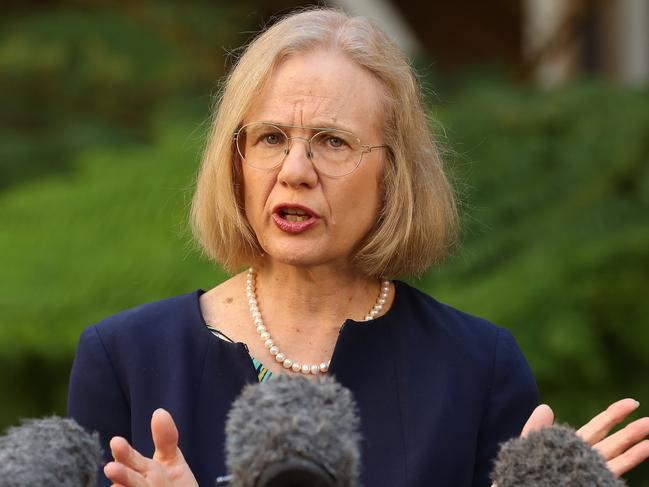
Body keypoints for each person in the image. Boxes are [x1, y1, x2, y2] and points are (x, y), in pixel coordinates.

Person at [67, 8, 649, 487]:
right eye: (271, 138)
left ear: (393, 176)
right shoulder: (124, 358)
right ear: (236, 161)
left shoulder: (478, 367)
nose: (295, 170)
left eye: (332, 141)